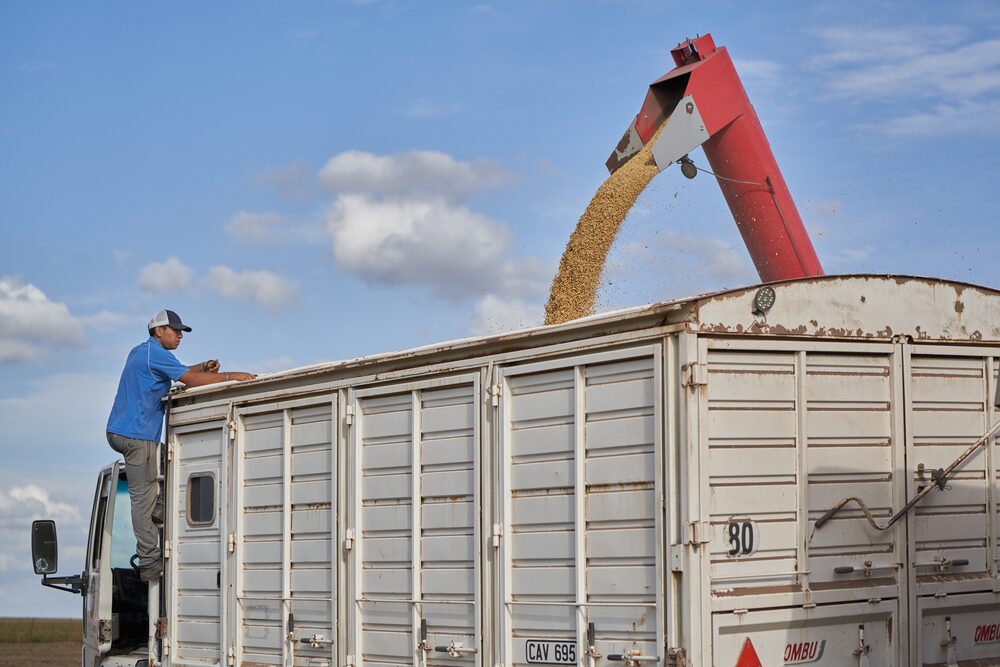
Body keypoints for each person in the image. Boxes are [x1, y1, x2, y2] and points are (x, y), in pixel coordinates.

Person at [106, 309, 256, 581]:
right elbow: (190, 380)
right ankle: (149, 562)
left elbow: (182, 372)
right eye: (175, 331)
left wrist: (202, 367)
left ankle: (160, 509)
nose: (179, 335)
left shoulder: (142, 352)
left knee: (167, 460)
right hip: (136, 435)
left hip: (124, 431)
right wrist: (232, 376)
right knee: (142, 499)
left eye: (181, 332)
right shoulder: (155, 354)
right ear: (158, 331)